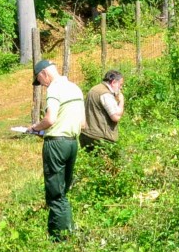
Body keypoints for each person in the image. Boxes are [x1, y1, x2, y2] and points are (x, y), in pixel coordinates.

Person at [25, 58, 84, 239]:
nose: (41, 85)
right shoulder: (75, 88)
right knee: (63, 190)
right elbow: (83, 123)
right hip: (72, 142)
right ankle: (68, 228)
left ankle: (58, 237)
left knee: (55, 193)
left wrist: (35, 128)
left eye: (40, 81)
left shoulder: (54, 88)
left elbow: (50, 119)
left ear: (44, 74)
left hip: (56, 144)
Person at [80, 69, 125, 155]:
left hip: (86, 135)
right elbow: (116, 117)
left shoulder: (95, 89)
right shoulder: (105, 94)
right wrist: (121, 101)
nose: (121, 88)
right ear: (113, 82)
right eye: (120, 85)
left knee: (91, 165)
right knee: (111, 165)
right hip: (101, 138)